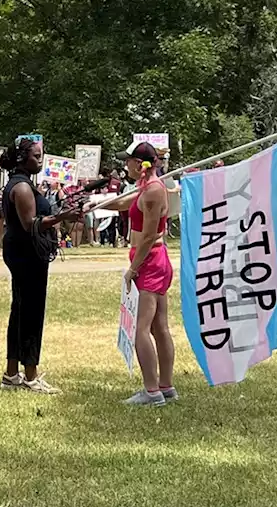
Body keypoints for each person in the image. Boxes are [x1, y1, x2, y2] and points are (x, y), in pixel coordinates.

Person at [97, 140, 177, 406]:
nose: (124, 165)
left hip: (150, 260)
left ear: (139, 164)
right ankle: (166, 386)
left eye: (128, 161)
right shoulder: (147, 187)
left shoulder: (154, 191)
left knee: (141, 329)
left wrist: (134, 268)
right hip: (153, 260)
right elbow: (125, 202)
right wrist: (95, 205)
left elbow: (151, 234)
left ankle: (152, 390)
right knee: (159, 327)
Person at [0, 136, 77, 394]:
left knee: (20, 310)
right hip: (25, 253)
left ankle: (11, 373)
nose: (41, 160)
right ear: (22, 159)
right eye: (37, 156)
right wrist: (62, 217)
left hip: (22, 250)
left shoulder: (24, 185)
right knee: (31, 311)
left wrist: (61, 211)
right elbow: (31, 223)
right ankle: (30, 375)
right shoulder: (20, 188)